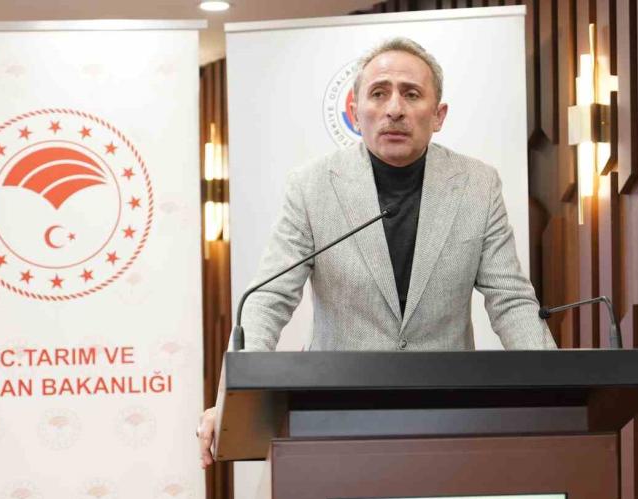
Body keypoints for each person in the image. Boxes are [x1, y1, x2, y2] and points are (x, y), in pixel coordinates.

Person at [198, 37, 556, 467]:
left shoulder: (477, 186)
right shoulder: (312, 187)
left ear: (438, 115)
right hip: (334, 416)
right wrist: (230, 403)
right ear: (355, 112)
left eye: (411, 94)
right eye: (379, 93)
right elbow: (267, 301)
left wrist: (556, 391)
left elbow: (511, 301)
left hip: (447, 415)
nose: (394, 109)